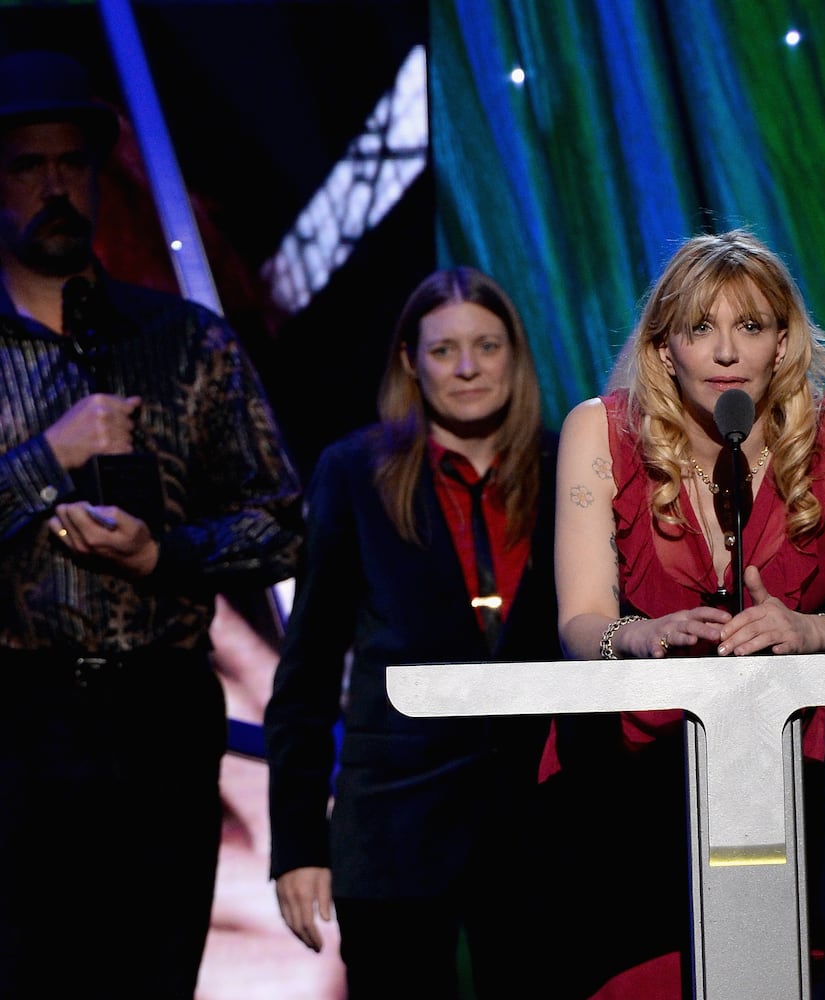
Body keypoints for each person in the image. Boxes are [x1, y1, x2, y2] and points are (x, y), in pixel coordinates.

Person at [0, 48, 302, 997]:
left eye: (72, 162)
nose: (54, 186)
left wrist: (163, 554)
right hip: (16, 711)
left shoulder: (184, 340)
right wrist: (47, 457)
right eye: (27, 165)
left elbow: (282, 525)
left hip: (160, 711)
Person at [551, 228, 825, 997]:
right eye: (700, 327)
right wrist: (637, 635)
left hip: (777, 776)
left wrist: (808, 630)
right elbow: (580, 620)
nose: (726, 351)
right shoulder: (598, 430)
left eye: (750, 325)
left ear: (783, 342)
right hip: (628, 773)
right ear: (664, 348)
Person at [264, 266, 561, 998]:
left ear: (515, 354)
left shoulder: (566, 469)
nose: (467, 368)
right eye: (443, 350)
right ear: (410, 361)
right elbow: (306, 673)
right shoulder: (355, 473)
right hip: (393, 828)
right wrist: (298, 844)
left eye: (486, 346)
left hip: (541, 826)